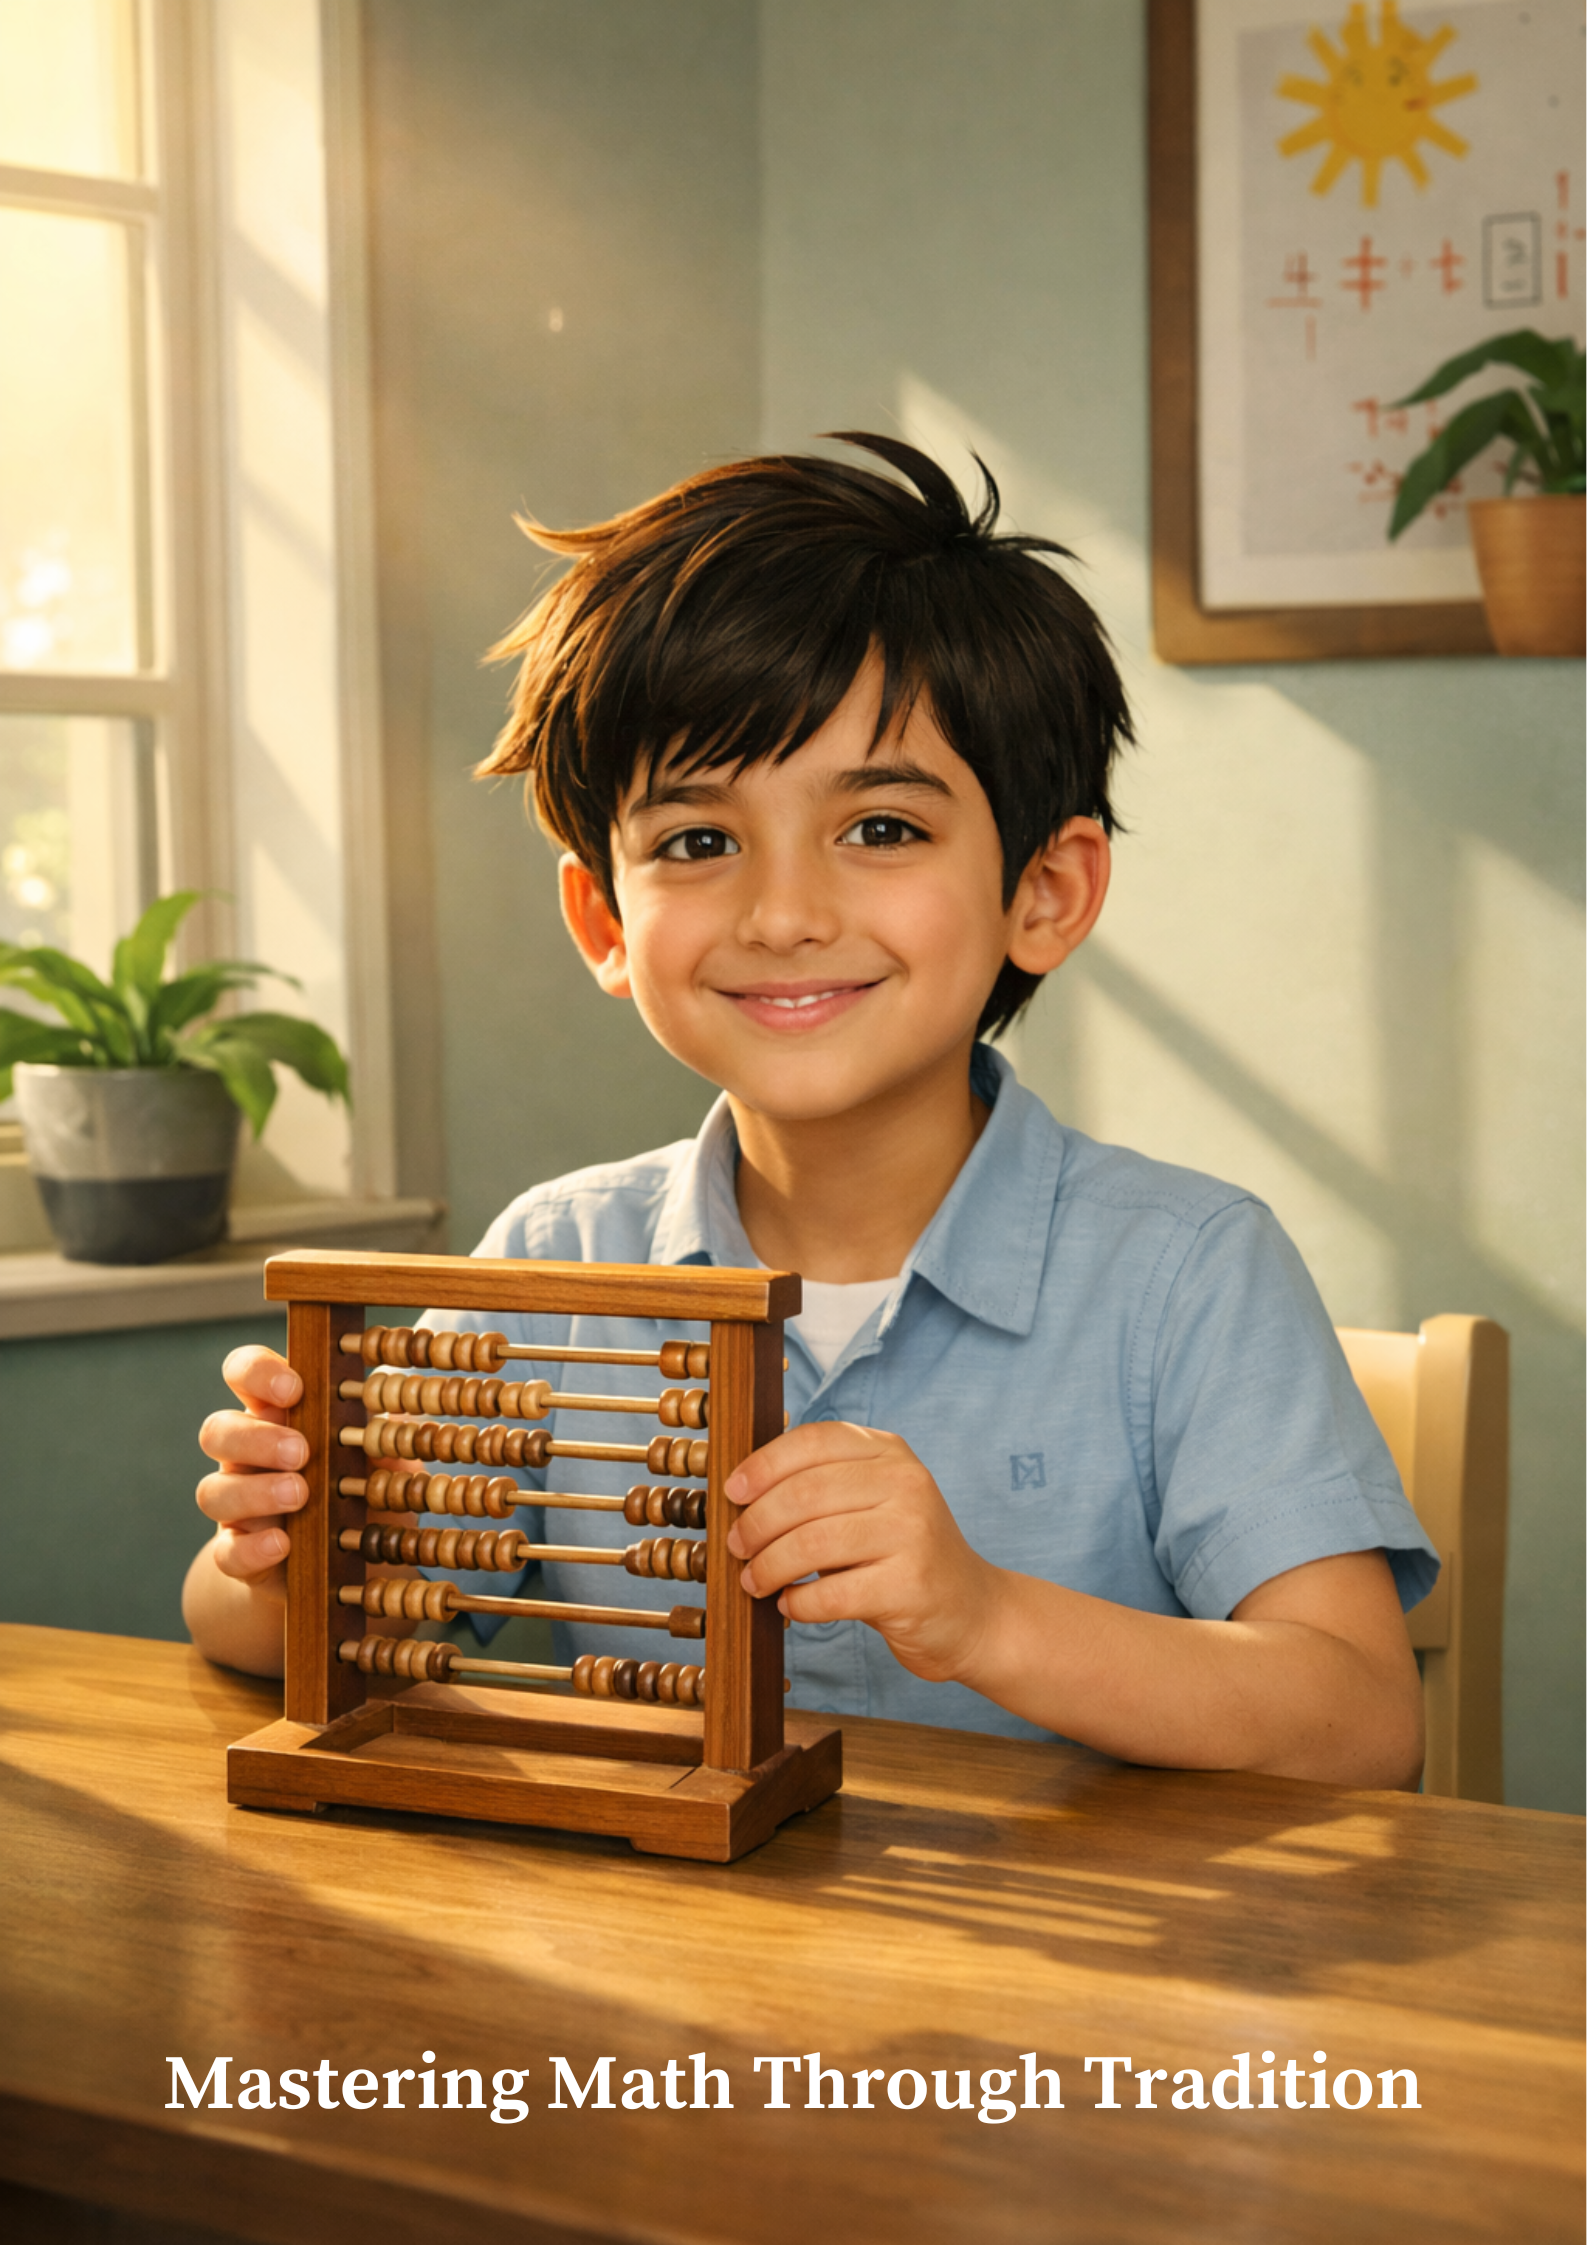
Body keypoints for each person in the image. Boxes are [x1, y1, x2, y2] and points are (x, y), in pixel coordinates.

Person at [185, 434, 1434, 1786]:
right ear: (603, 921)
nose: (783, 915)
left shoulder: (1187, 1274)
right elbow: (266, 1634)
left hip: (1073, 1979)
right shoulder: (553, 1263)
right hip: (681, 1963)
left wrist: (984, 1614)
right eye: (697, 842)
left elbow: (1361, 1724)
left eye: (881, 829)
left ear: (1046, 893)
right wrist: (287, 1544)